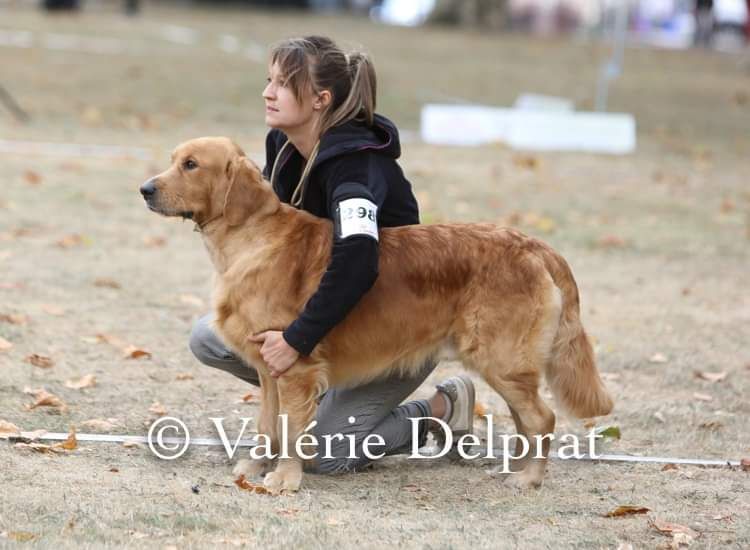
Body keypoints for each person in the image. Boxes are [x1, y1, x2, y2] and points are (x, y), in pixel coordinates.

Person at [189, 36, 475, 474]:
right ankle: (317, 397)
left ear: (321, 100)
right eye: (269, 80)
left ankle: (440, 411)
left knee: (325, 455)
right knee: (211, 336)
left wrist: (297, 339)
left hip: (393, 329)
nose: (267, 92)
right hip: (334, 328)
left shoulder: (356, 165)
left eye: (282, 84)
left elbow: (358, 260)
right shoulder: (281, 146)